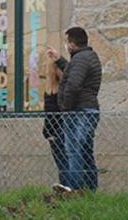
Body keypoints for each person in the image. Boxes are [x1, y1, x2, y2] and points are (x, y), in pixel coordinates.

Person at [47, 26, 101, 191]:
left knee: (74, 150)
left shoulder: (80, 59)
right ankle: (90, 189)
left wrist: (65, 107)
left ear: (72, 43)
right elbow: (74, 73)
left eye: (67, 41)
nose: (66, 45)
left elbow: (74, 85)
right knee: (84, 150)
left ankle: (74, 188)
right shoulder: (85, 57)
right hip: (86, 110)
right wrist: (59, 59)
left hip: (78, 112)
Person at [39, 50, 69, 188]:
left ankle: (67, 189)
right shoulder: (65, 89)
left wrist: (48, 133)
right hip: (63, 131)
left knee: (64, 165)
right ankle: (71, 190)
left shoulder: (52, 91)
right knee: (69, 164)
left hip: (57, 133)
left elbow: (50, 115)